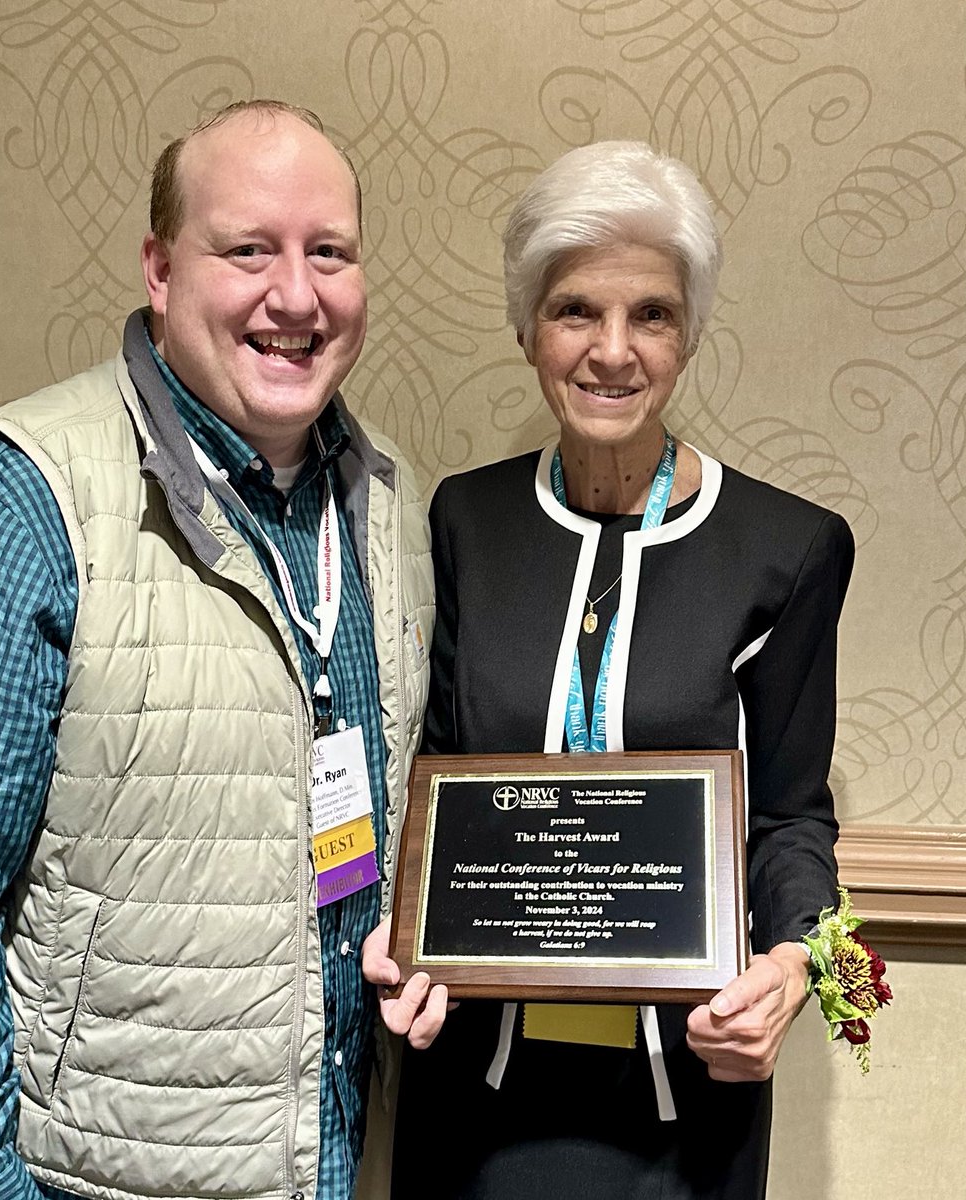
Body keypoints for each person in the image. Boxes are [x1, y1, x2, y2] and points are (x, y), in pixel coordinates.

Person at [0, 100, 433, 1200]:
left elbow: (339, 837)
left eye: (329, 252)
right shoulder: (18, 505)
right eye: (246, 248)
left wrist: (410, 939)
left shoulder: (387, 503)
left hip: (329, 1164)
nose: (295, 295)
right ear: (160, 269)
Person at [363, 140, 854, 1198]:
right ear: (527, 329)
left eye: (652, 314)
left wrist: (804, 972)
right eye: (576, 310)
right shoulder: (466, 518)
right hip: (473, 1088)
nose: (612, 350)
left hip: (684, 1097)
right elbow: (439, 775)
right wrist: (404, 938)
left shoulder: (788, 547)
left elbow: (794, 819)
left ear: (691, 332)